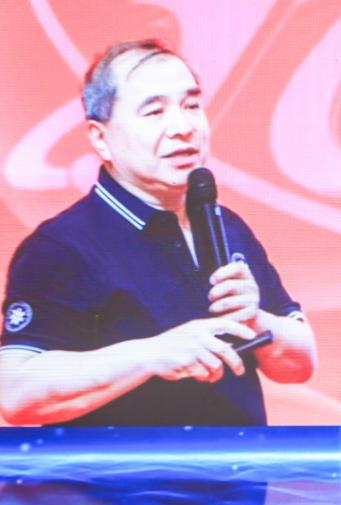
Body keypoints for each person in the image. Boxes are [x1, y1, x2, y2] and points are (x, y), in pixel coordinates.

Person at [0, 39, 316, 426]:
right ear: (100, 138)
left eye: (192, 105)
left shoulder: (227, 226)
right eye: (154, 112)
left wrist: (258, 321)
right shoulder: (61, 247)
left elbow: (301, 365)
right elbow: (15, 392)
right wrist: (151, 355)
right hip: (121, 467)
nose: (183, 128)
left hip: (240, 464)